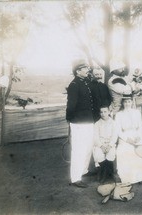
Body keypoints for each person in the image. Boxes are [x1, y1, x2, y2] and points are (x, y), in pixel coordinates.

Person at [66, 59, 95, 188]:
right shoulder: (74, 85)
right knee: (79, 149)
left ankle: (84, 170)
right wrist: (71, 120)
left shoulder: (86, 82)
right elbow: (71, 105)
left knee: (88, 147)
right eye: (85, 68)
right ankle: (76, 178)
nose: (87, 69)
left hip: (89, 120)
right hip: (78, 122)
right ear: (78, 71)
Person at [114, 94, 142, 186]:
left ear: (132, 102)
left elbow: (141, 127)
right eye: (125, 102)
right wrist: (127, 139)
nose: (127, 104)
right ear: (123, 103)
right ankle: (129, 178)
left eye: (129, 101)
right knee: (126, 150)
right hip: (125, 137)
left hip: (136, 136)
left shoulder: (137, 112)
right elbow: (118, 130)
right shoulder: (119, 114)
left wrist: (139, 136)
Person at [93, 105, 118, 183]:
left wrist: (110, 145)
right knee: (98, 155)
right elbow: (95, 137)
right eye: (101, 112)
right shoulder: (97, 124)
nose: (103, 114)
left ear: (109, 112)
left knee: (111, 155)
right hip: (100, 144)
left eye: (105, 112)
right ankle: (103, 171)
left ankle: (106, 173)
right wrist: (101, 146)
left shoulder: (113, 123)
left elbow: (115, 136)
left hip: (110, 144)